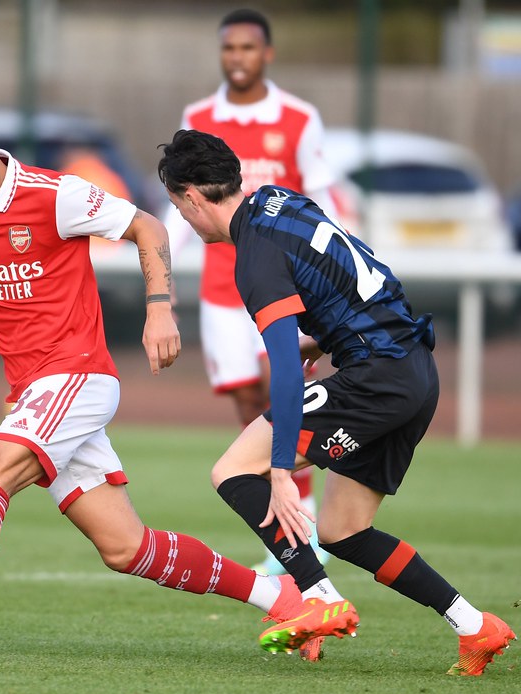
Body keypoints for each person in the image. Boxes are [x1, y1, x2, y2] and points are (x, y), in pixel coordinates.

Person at [0, 103, 324, 659]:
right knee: (126, 547)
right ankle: (283, 596)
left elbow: (149, 225)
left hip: (75, 374)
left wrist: (160, 308)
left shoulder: (54, 196)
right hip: (32, 389)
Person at [156, 128, 516, 676]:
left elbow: (280, 371)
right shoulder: (281, 199)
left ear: (191, 196)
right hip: (415, 370)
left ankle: (317, 596)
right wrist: (322, 341)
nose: (183, 218)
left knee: (233, 471)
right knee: (342, 530)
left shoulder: (253, 258)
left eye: (179, 207)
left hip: (376, 376)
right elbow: (362, 276)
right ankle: (476, 627)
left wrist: (280, 471)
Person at [164, 8, 339, 574]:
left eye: (247, 47)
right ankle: (286, 524)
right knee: (248, 405)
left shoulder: (297, 117)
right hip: (222, 289)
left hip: (282, 283)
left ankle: (302, 530)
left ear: (267, 54)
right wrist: (160, 276)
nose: (236, 57)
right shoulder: (200, 116)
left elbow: (323, 196)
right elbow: (184, 202)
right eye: (228, 48)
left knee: (283, 388)